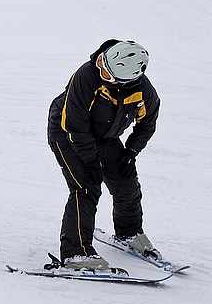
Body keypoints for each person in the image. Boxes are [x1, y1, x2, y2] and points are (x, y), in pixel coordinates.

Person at [47, 39, 161, 271]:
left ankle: (129, 234)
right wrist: (91, 161)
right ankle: (75, 252)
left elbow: (147, 123)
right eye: (102, 63)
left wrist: (131, 151)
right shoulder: (86, 75)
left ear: (128, 80)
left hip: (105, 136)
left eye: (107, 73)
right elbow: (75, 125)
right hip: (66, 131)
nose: (100, 71)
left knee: (126, 182)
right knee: (86, 186)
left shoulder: (143, 93)